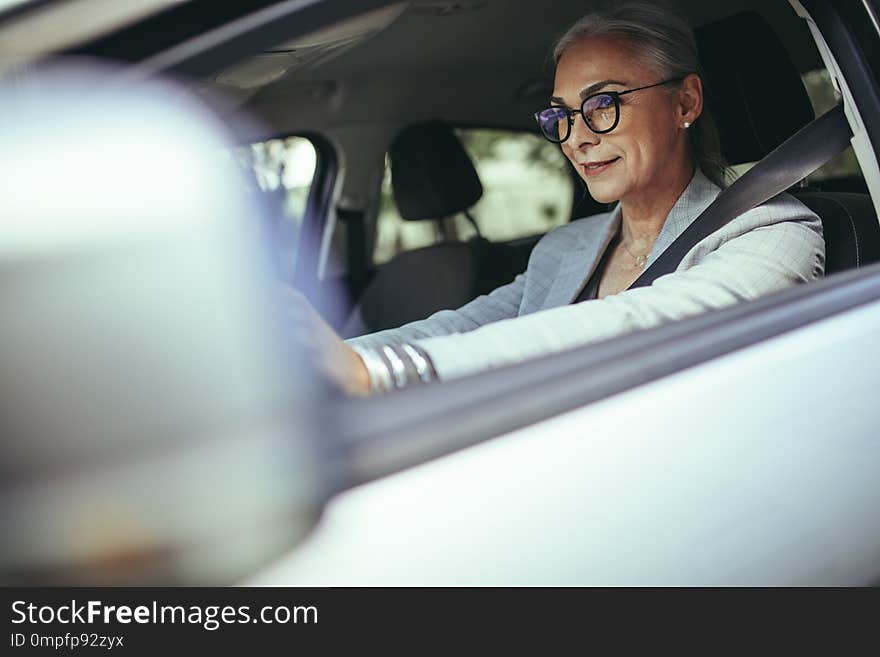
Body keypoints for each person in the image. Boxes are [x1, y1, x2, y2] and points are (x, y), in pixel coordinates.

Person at [296, 0, 825, 396]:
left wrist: (384, 374)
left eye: (603, 103)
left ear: (684, 101)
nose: (576, 136)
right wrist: (332, 357)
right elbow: (466, 324)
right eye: (561, 115)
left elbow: (644, 323)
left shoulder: (776, 232)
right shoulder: (565, 246)